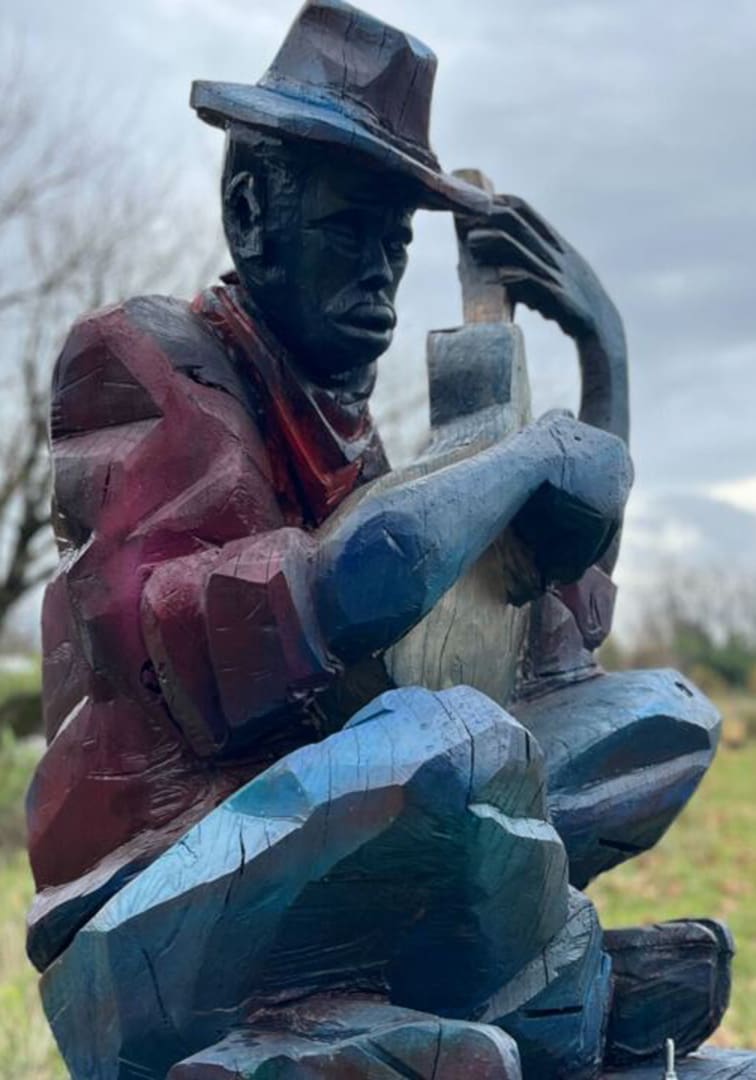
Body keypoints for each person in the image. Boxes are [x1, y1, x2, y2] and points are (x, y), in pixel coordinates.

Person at [28, 3, 725, 1078]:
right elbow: (231, 636)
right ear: (252, 211)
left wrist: (605, 356)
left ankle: (485, 995)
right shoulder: (144, 363)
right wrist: (511, 464)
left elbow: (545, 638)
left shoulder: (357, 451)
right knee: (452, 747)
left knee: (655, 716)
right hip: (150, 911)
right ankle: (542, 988)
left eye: (397, 244)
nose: (381, 276)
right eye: (349, 233)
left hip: (338, 860)